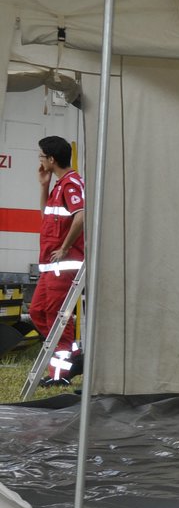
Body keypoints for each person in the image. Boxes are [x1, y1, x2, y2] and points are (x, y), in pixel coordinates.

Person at [34, 136, 85, 386]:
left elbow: (81, 215)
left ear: (52, 159)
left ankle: (60, 375)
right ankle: (73, 355)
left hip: (63, 268)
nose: (40, 161)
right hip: (49, 267)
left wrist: (65, 248)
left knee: (56, 316)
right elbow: (47, 217)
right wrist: (44, 186)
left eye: (42, 157)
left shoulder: (71, 183)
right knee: (37, 312)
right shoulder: (58, 185)